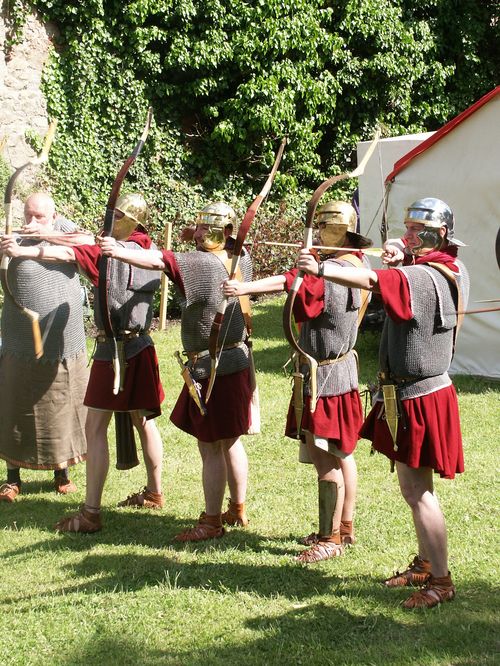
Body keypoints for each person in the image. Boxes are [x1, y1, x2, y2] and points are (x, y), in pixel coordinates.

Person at [297, 197, 469, 608]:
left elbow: (376, 283)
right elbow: (400, 278)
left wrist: (322, 267)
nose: (407, 236)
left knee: (417, 492)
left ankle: (440, 581)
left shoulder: (427, 276)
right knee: (416, 488)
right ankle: (427, 564)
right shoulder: (449, 266)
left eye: (415, 231)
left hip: (420, 395)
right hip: (419, 391)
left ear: (438, 235)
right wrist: (400, 252)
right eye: (406, 228)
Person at [1, 193, 165, 531]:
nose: (111, 222)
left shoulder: (118, 251)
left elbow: (75, 249)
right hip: (135, 347)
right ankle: (154, 492)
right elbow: (79, 250)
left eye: (117, 216)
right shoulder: (147, 252)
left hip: (117, 349)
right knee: (141, 421)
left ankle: (92, 512)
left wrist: (31, 246)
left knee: (98, 427)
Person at [224, 200, 372, 562]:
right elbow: (294, 281)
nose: (319, 233)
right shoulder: (356, 265)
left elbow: (298, 293)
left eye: (324, 228)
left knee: (327, 460)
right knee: (343, 453)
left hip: (324, 377)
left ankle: (330, 537)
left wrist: (248, 288)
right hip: (343, 371)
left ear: (336, 232)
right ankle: (345, 526)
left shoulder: (330, 274)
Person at [100, 201, 252, 542]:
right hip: (236, 359)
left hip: (212, 368)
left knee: (210, 445)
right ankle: (237, 509)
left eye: (203, 229)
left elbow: (158, 260)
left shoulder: (200, 263)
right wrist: (199, 237)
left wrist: (117, 251)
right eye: (196, 227)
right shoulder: (240, 257)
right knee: (230, 441)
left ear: (225, 232)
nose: (197, 233)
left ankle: (211, 522)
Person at [0, 192, 88, 501]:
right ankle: (12, 478)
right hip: (19, 340)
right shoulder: (12, 235)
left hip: (62, 341)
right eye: (28, 215)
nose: (32, 222)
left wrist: (35, 245)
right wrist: (7, 248)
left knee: (62, 406)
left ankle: (61, 472)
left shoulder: (66, 231)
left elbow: (80, 250)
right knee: (15, 404)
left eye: (39, 216)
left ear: (53, 215)